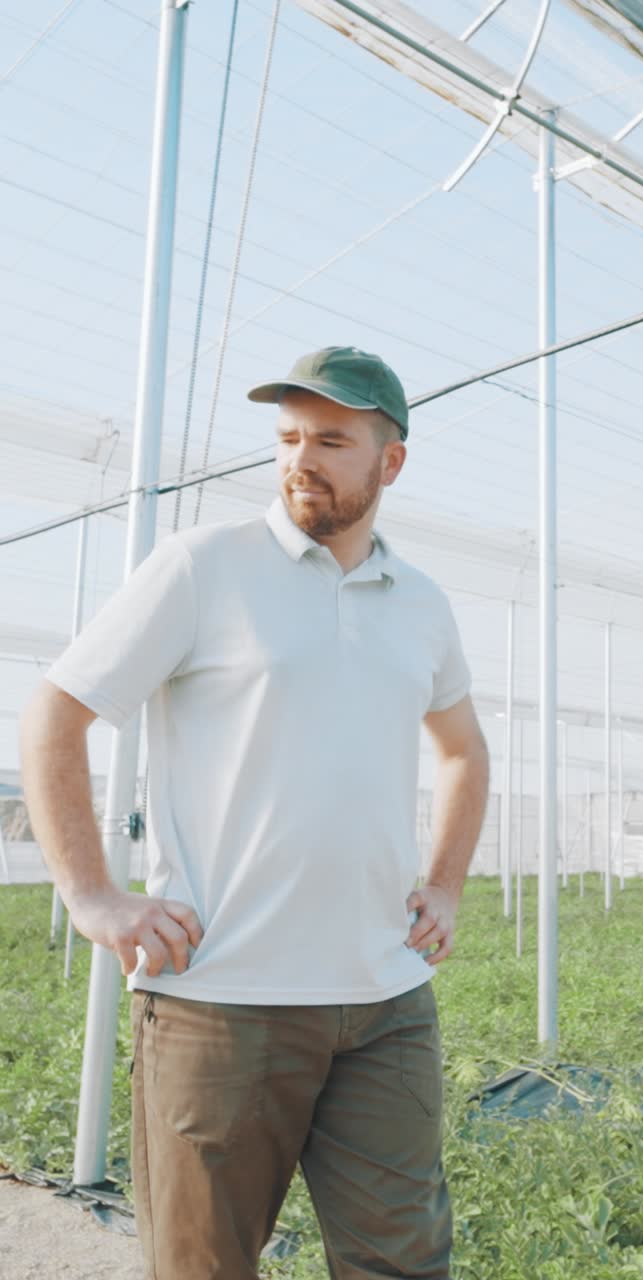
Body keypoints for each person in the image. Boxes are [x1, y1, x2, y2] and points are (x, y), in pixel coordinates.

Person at [20, 346, 489, 1280]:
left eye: (330, 440)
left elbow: (464, 750)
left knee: (403, 1263)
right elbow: (56, 712)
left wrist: (443, 883)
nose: (298, 459)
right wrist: (92, 897)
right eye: (285, 437)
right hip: (221, 1004)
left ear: (389, 461)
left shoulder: (422, 604)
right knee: (205, 1266)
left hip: (384, 1001)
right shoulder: (203, 567)